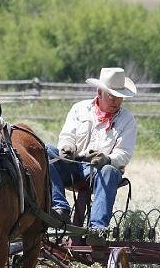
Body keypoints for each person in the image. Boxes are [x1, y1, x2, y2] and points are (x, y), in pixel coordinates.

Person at [46, 67, 137, 244]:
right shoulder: (79, 109)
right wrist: (67, 147)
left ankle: (97, 230)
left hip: (101, 171)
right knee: (46, 151)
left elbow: (123, 154)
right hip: (73, 165)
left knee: (110, 171)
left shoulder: (127, 120)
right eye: (111, 95)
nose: (116, 101)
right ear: (99, 92)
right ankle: (59, 208)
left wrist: (107, 159)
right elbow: (67, 136)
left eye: (120, 96)